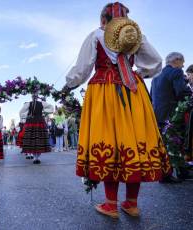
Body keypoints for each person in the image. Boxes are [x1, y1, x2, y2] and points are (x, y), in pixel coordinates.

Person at [64, 2, 170, 218]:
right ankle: (131, 203)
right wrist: (139, 75)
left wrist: (70, 84)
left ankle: (111, 204)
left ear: (103, 19)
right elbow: (156, 62)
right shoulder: (136, 35)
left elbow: (82, 68)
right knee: (134, 140)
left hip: (104, 91)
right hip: (133, 90)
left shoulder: (96, 35)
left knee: (108, 141)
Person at [151, 52, 192, 182]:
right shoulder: (176, 72)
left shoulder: (156, 75)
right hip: (172, 113)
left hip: (158, 114)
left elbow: (152, 96)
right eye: (182, 62)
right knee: (176, 142)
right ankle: (178, 173)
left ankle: (168, 173)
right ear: (176, 60)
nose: (183, 65)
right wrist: (189, 93)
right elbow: (181, 92)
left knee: (164, 145)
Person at [20, 92, 54, 164]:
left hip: (33, 122)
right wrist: (44, 111)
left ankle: (36, 157)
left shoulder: (30, 104)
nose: (34, 97)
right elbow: (51, 108)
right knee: (38, 139)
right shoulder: (41, 103)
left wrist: (26, 115)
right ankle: (36, 157)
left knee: (34, 139)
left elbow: (21, 112)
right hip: (38, 122)